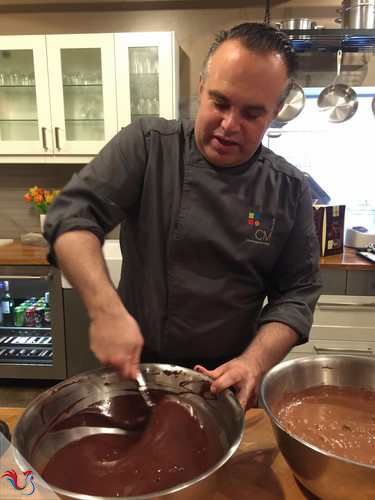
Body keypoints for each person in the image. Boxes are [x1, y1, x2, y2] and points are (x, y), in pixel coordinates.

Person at [44, 22, 323, 410]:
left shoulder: (289, 189)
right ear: (201, 85)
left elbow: (296, 294)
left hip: (226, 381)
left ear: (276, 112)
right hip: (136, 372)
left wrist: (254, 361)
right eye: (219, 102)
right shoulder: (148, 147)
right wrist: (106, 311)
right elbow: (71, 216)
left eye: (253, 114)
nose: (229, 126)